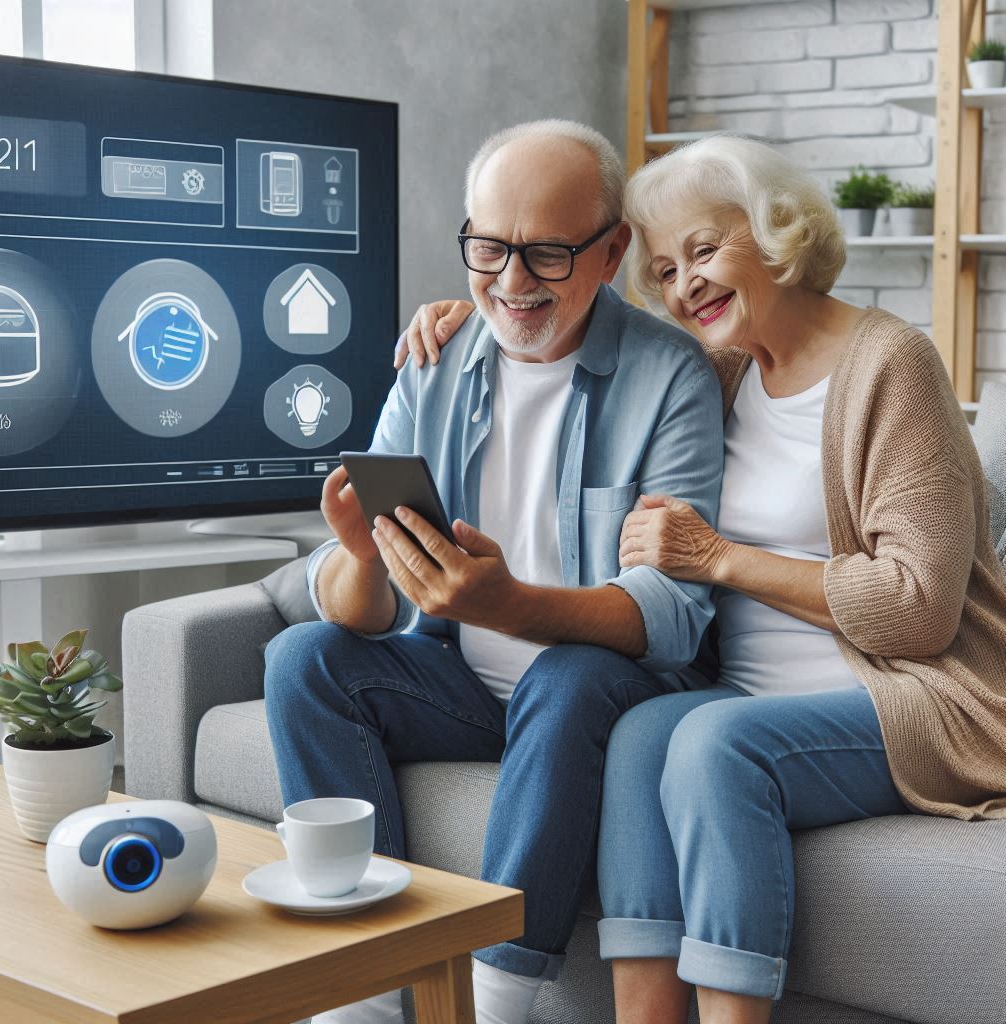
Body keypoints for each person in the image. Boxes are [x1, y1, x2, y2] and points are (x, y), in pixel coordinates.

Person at [396, 133, 1006, 1024]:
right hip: (749, 689)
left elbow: (916, 611)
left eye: (706, 250)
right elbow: (588, 339)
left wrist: (720, 560)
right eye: (665, 268)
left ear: (777, 230)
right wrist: (483, 310)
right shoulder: (720, 371)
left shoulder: (892, 364)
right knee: (645, 733)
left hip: (909, 696)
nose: (685, 286)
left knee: (719, 747)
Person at [263, 119, 725, 1024]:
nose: (512, 283)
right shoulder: (434, 362)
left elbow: (674, 618)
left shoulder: (672, 378)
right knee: (303, 661)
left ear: (612, 252)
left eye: (548, 254)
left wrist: (510, 603)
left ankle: (495, 994)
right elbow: (360, 613)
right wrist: (362, 556)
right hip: (461, 687)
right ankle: (364, 986)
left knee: (569, 671)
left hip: (603, 695)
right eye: (489, 248)